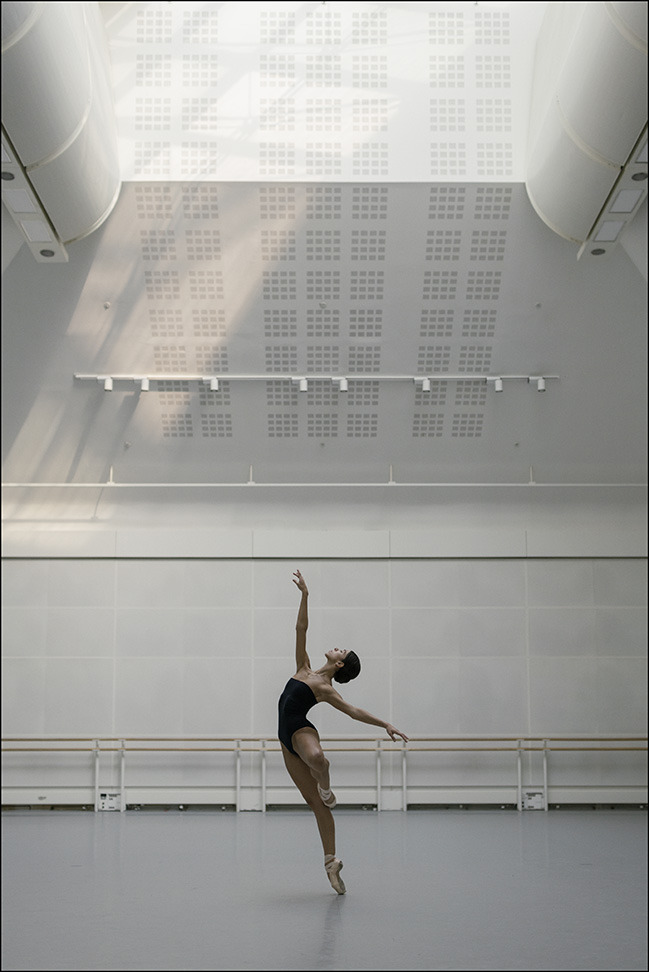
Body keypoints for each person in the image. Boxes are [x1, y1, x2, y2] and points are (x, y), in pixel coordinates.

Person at [277, 569, 409, 894]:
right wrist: (305, 595)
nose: (338, 648)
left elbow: (353, 712)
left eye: (342, 652)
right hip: (284, 740)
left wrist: (385, 724)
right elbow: (300, 628)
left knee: (318, 757)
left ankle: (326, 784)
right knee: (317, 808)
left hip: (300, 730)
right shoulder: (303, 667)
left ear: (339, 666)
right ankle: (331, 863)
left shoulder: (325, 689)